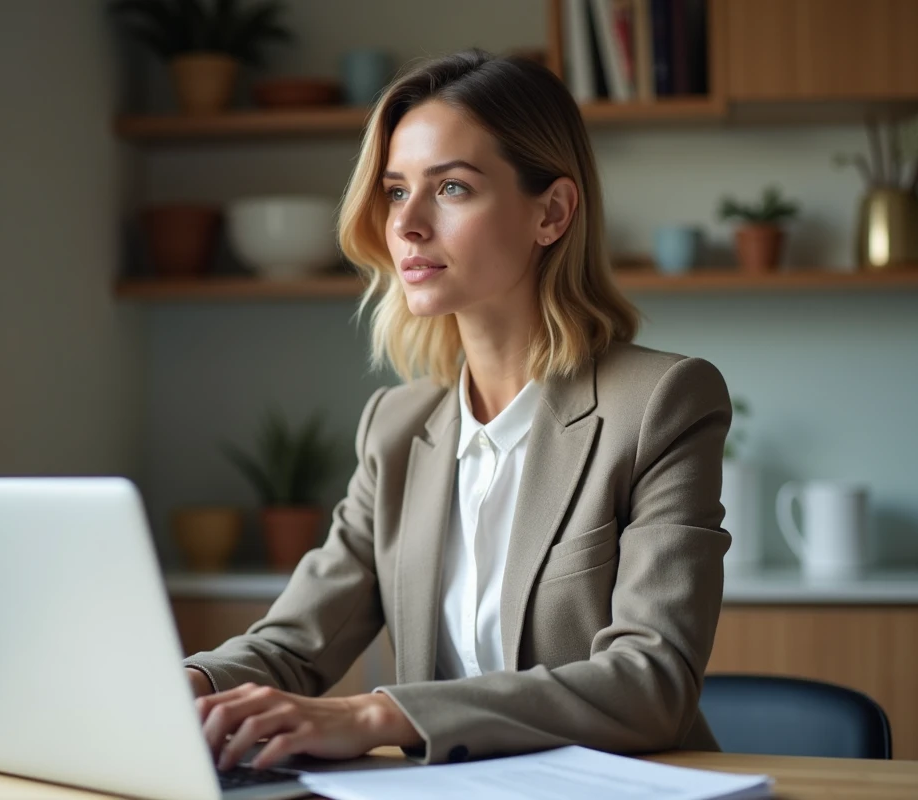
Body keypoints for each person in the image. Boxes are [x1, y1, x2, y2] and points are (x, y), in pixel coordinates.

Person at [184, 48, 732, 772]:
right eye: (395, 190)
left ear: (552, 213)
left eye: (451, 188)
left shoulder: (661, 403)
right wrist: (186, 686)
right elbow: (292, 645)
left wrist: (378, 714)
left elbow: (651, 682)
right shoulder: (396, 428)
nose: (406, 224)